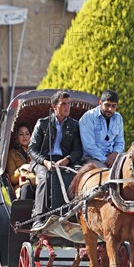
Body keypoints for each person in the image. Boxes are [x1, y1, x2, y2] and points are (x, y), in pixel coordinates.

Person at [28, 91, 83, 231]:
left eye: (69, 104)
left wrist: (67, 160)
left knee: (81, 176)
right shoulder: (42, 123)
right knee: (45, 178)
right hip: (43, 161)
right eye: (63, 104)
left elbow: (78, 150)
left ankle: (79, 215)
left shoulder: (74, 125)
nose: (67, 107)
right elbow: (31, 149)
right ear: (54, 106)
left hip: (65, 161)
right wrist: (45, 162)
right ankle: (38, 218)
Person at [79, 89, 125, 168]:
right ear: (100, 103)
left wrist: (115, 153)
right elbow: (89, 146)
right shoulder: (88, 117)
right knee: (105, 174)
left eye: (113, 106)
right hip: (92, 158)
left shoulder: (118, 118)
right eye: (107, 105)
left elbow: (120, 142)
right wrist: (106, 160)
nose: (110, 109)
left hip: (113, 158)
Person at [6, 124, 34, 199]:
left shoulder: (37, 151)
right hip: (22, 184)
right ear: (17, 137)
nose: (24, 137)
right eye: (21, 134)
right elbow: (12, 179)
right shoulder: (12, 153)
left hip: (38, 181)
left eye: (27, 134)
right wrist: (21, 169)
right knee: (26, 189)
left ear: (31, 136)